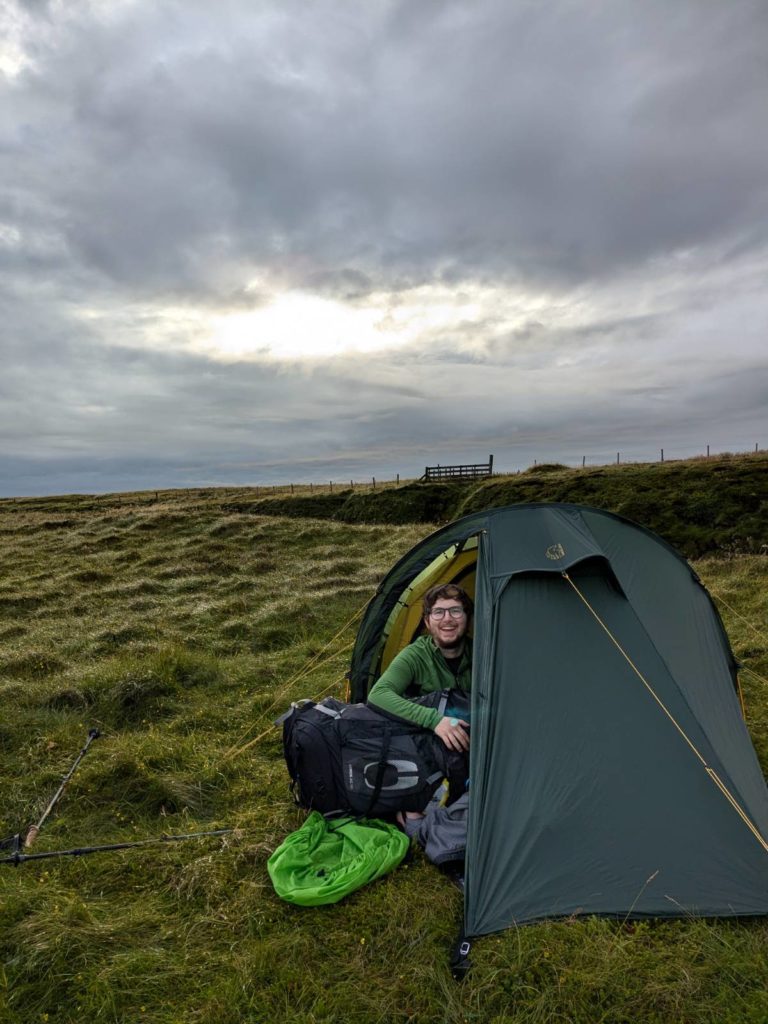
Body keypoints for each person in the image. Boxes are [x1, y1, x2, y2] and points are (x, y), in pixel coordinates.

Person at [367, 583, 472, 753]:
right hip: (429, 748)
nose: (447, 619)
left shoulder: (483, 654)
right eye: (438, 612)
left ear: (468, 618)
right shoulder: (416, 655)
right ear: (427, 622)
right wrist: (434, 720)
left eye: (455, 610)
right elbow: (379, 694)